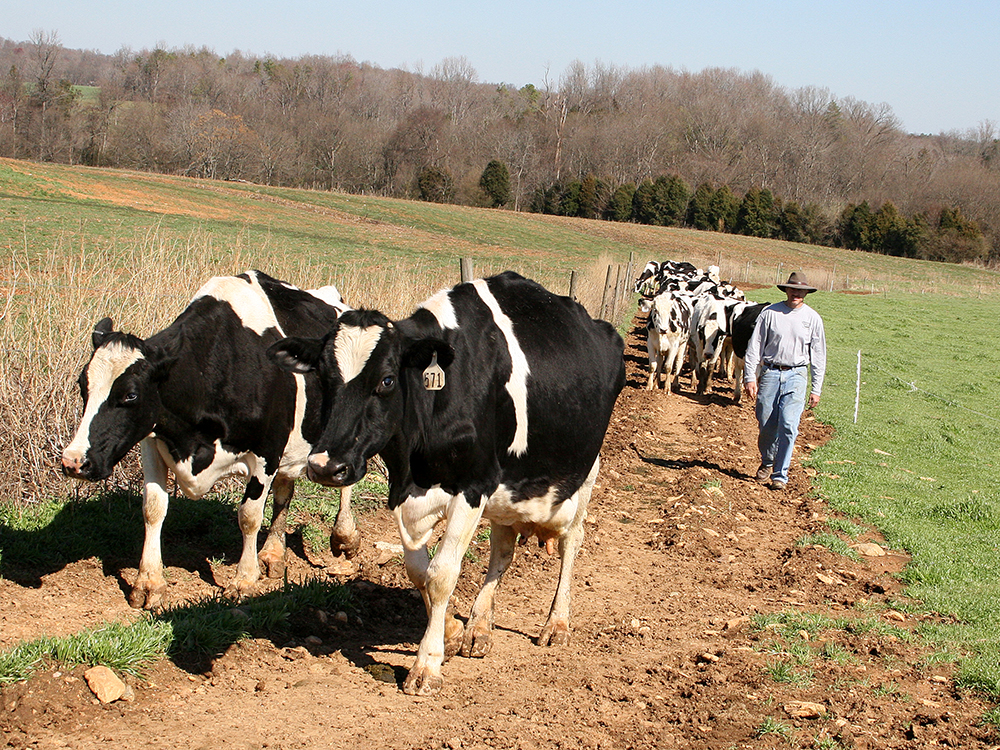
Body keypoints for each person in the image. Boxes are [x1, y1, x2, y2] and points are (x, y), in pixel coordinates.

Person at [743, 272, 826, 490]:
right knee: (766, 421)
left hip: (797, 374)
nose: (796, 293)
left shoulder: (813, 319)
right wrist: (749, 376)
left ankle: (780, 473)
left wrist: (816, 388)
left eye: (800, 291)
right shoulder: (770, 313)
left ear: (806, 293)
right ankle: (768, 461)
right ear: (786, 290)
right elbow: (755, 346)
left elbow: (818, 356)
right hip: (770, 373)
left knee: (789, 424)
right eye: (793, 289)